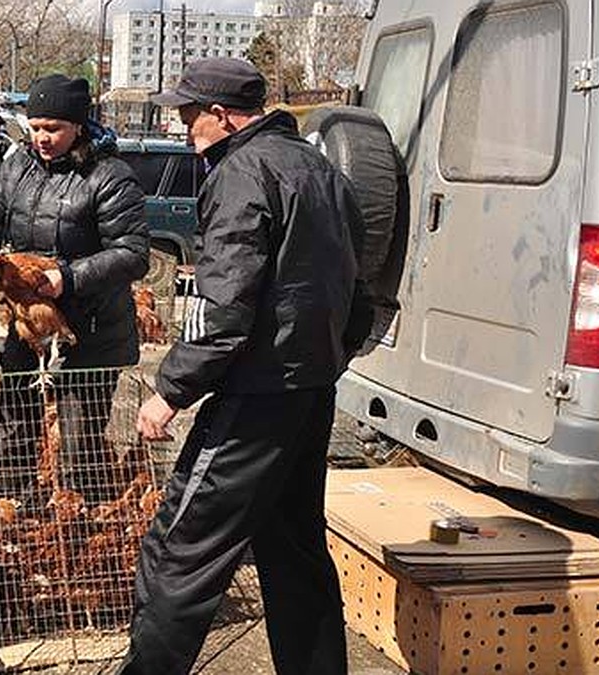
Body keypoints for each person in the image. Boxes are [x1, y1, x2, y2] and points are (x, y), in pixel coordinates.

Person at [121, 58, 369, 675]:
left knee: (179, 551)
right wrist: (330, 356)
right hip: (309, 389)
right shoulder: (321, 169)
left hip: (255, 396)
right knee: (294, 551)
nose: (184, 129)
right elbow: (356, 286)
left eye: (188, 116)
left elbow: (223, 301)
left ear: (222, 116)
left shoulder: (240, 171)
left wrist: (172, 389)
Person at [0, 75, 149, 506]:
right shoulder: (18, 164)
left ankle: (79, 520)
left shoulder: (109, 176)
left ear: (79, 125)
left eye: (53, 128)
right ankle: (15, 508)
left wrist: (68, 277)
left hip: (90, 331)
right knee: (13, 424)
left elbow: (134, 254)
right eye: (35, 126)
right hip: (30, 324)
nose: (41, 137)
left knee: (78, 442)